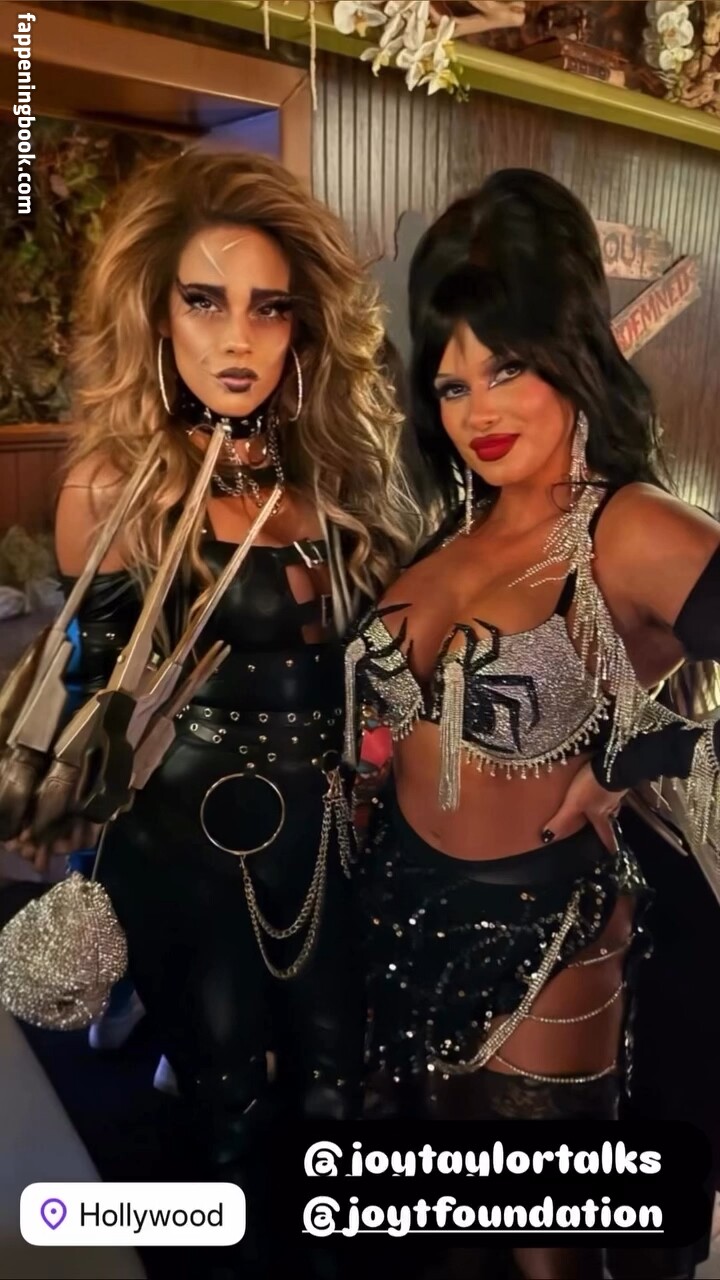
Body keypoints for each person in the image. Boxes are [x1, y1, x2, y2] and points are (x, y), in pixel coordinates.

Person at [9, 148, 421, 1271]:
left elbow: (379, 659)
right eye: (205, 301)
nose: (238, 337)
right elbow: (94, 687)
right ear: (157, 312)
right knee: (227, 1096)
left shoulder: (331, 470)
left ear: (302, 326)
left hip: (331, 832)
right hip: (189, 838)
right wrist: (65, 811)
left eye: (268, 307)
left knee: (340, 1083)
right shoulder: (117, 482)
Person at [345, 168, 720, 1280]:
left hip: (547, 945)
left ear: (572, 350)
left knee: (542, 1250)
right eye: (453, 384)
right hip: (395, 930)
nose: (480, 412)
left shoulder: (629, 530)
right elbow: (377, 736)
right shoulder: (440, 544)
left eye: (507, 366)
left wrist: (643, 752)